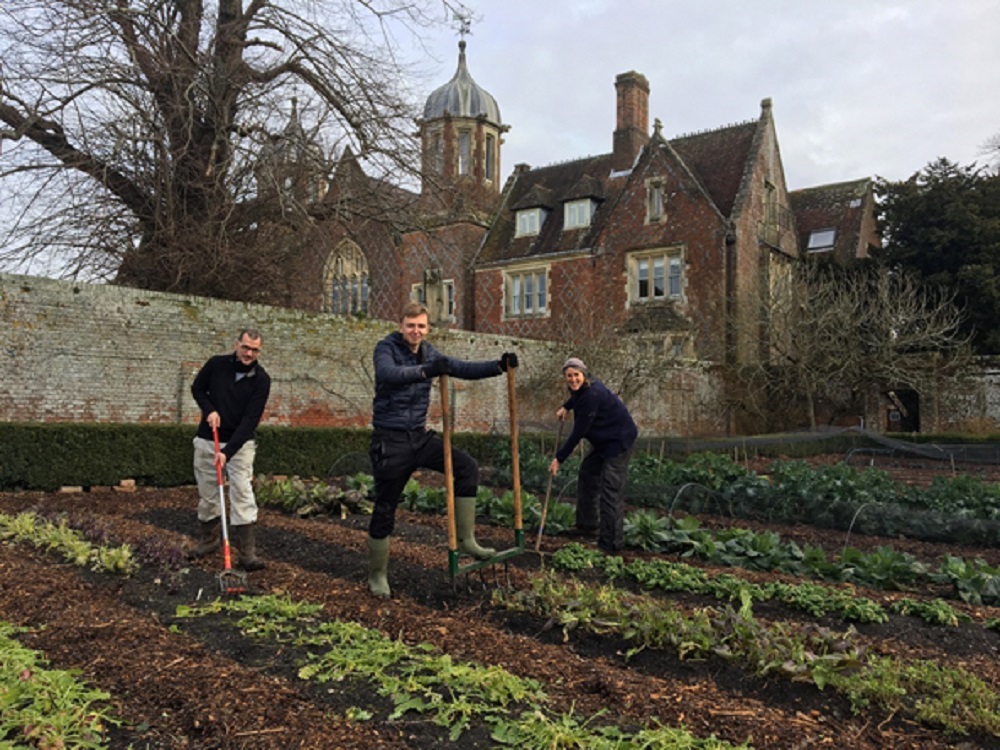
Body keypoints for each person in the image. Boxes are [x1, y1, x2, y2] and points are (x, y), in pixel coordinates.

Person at [367, 302, 518, 597]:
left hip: (419, 438)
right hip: (391, 441)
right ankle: (377, 575)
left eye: (421, 326)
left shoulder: (428, 351)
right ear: (400, 326)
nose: (416, 331)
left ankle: (467, 540)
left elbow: (459, 367)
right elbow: (389, 374)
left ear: (427, 328)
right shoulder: (385, 348)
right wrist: (426, 372)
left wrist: (498, 367)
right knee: (385, 507)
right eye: (411, 325)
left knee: (467, 467)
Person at [188, 328, 272, 571]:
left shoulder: (261, 380)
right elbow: (197, 389)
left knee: (242, 492)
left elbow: (250, 421)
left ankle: (247, 554)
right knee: (208, 494)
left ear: (259, 351)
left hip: (240, 444)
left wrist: (228, 452)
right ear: (237, 344)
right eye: (245, 347)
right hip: (208, 440)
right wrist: (210, 410)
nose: (249, 353)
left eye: (254, 350)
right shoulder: (216, 365)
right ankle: (208, 541)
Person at [549, 357, 637, 554]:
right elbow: (576, 397)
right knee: (588, 474)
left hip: (618, 441)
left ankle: (611, 544)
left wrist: (559, 458)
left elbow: (579, 432)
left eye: (576, 375)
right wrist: (566, 406)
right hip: (603, 441)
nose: (573, 380)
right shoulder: (581, 390)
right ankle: (587, 526)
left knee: (610, 491)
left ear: (584, 374)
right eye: (569, 376)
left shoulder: (592, 395)